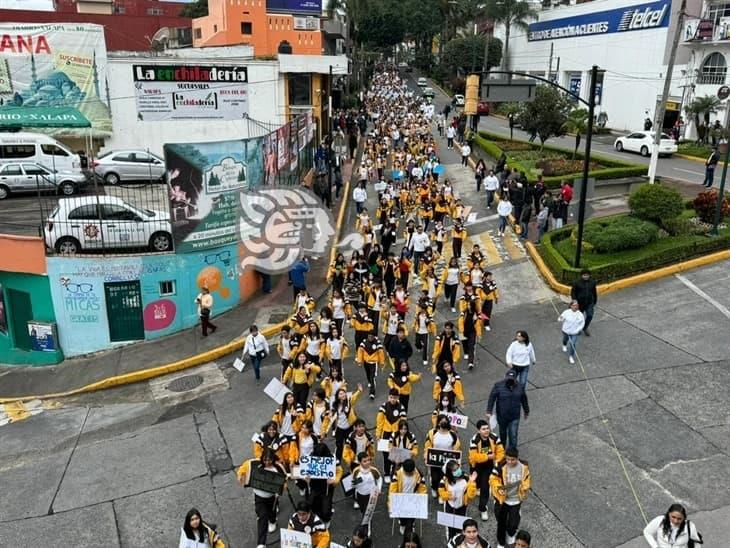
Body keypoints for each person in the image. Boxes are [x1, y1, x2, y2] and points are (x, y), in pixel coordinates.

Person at [236, 448, 288, 548]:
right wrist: (240, 475)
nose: (267, 462)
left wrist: (282, 488)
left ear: (273, 459)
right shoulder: (255, 464)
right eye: (265, 460)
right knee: (262, 517)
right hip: (259, 497)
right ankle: (261, 543)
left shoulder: (278, 467)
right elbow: (244, 467)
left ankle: (273, 521)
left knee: (271, 513)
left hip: (272, 497)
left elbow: (284, 479)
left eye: (269, 460)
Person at [490, 447, 531, 548]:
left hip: (516, 500)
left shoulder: (524, 467)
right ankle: (501, 542)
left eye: (512, 459)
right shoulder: (500, 466)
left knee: (513, 524)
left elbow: (527, 480)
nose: (509, 461)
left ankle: (511, 534)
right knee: (501, 523)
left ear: (517, 458)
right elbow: (492, 479)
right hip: (502, 501)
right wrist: (498, 488)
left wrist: (523, 487)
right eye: (508, 459)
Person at [469, 420, 505, 522]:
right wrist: (488, 456)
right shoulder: (474, 440)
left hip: (488, 467)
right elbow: (474, 457)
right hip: (476, 466)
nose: (486, 431)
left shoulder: (494, 437)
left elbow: (500, 451)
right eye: (483, 429)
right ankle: (478, 489)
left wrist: (497, 462)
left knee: (485, 487)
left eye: (487, 428)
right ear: (478, 430)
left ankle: (482, 508)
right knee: (477, 484)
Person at [485, 369, 529, 450]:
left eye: (512, 379)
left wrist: (526, 411)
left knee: (513, 435)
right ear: (505, 377)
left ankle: (512, 453)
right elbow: (492, 397)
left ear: (516, 379)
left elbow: (524, 399)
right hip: (502, 416)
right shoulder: (498, 385)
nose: (510, 381)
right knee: (503, 434)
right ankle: (502, 450)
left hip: (514, 416)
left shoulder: (520, 387)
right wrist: (489, 411)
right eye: (508, 379)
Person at [439, 460, 478, 539]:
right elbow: (441, 492)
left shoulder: (466, 478)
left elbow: (471, 495)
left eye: (458, 468)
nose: (457, 471)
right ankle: (451, 541)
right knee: (450, 528)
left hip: (462, 507)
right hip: (450, 507)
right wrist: (448, 496)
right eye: (454, 470)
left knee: (461, 527)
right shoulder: (444, 480)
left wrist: (472, 483)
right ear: (449, 472)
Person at [424, 415, 461, 497]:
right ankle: (434, 488)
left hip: (447, 461)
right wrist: (426, 457)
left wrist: (457, 461)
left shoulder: (453, 434)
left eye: (445, 421)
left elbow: (457, 447)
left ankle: (442, 493)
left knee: (445, 477)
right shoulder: (432, 433)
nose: (443, 423)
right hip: (435, 460)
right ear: (438, 423)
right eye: (441, 421)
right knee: (435, 478)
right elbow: (427, 447)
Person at [389, 457, 428, 535]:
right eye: (407, 473)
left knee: (412, 515)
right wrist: (391, 503)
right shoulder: (397, 474)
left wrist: (421, 498)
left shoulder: (419, 475)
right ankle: (403, 525)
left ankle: (411, 525)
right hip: (401, 498)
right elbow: (392, 489)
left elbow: (422, 488)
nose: (409, 474)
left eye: (411, 473)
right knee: (402, 515)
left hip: (413, 498)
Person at [376, 389, 408, 479]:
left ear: (398, 398)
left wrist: (402, 434)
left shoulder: (401, 407)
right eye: (391, 397)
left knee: (395, 454)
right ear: (388, 397)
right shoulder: (384, 406)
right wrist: (378, 435)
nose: (392, 399)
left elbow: (403, 421)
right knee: (386, 455)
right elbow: (379, 422)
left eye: (394, 398)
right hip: (385, 434)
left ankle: (393, 470)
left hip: (396, 434)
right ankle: (386, 472)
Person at [356, 330, 385, 399]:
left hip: (374, 363)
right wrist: (359, 361)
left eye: (372, 336)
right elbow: (360, 352)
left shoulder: (377, 343)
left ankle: (372, 393)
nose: (370, 338)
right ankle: (370, 382)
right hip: (366, 362)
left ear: (374, 337)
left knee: (372, 377)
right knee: (368, 374)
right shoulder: (364, 343)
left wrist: (382, 363)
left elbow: (381, 353)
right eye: (369, 336)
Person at [571, 269, 598, 336]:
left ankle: (585, 328)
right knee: (578, 317)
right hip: (580, 303)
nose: (586, 276)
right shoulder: (576, 282)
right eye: (584, 275)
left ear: (589, 275)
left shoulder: (592, 282)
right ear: (581, 275)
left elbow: (594, 292)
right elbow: (573, 292)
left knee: (590, 315)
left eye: (587, 275)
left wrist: (594, 301)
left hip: (589, 303)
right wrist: (574, 300)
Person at [558, 300, 585, 365]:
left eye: (577, 305)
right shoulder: (566, 312)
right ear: (570, 306)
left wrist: (579, 329)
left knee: (573, 344)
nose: (576, 307)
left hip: (574, 332)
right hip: (566, 331)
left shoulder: (580, 314)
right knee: (565, 339)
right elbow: (559, 319)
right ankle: (564, 345)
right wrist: (561, 318)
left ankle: (571, 356)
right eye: (574, 305)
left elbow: (582, 323)